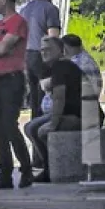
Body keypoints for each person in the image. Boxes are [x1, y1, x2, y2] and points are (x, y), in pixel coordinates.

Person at [0, 0, 34, 189]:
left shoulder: (18, 22)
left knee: (9, 125)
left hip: (12, 79)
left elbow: (4, 48)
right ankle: (5, 174)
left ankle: (26, 168)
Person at [22, 36, 83, 182]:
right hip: (69, 113)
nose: (44, 52)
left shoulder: (62, 66)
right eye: (42, 50)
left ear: (61, 50)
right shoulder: (56, 67)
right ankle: (48, 167)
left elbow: (59, 98)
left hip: (80, 116)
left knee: (41, 130)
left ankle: (51, 169)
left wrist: (54, 124)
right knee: (29, 127)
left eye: (49, 49)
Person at [19, 0, 62, 123]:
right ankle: (44, 133)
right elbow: (53, 37)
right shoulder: (51, 9)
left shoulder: (25, 9)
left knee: (34, 99)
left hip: (27, 56)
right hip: (43, 57)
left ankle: (34, 133)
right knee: (46, 96)